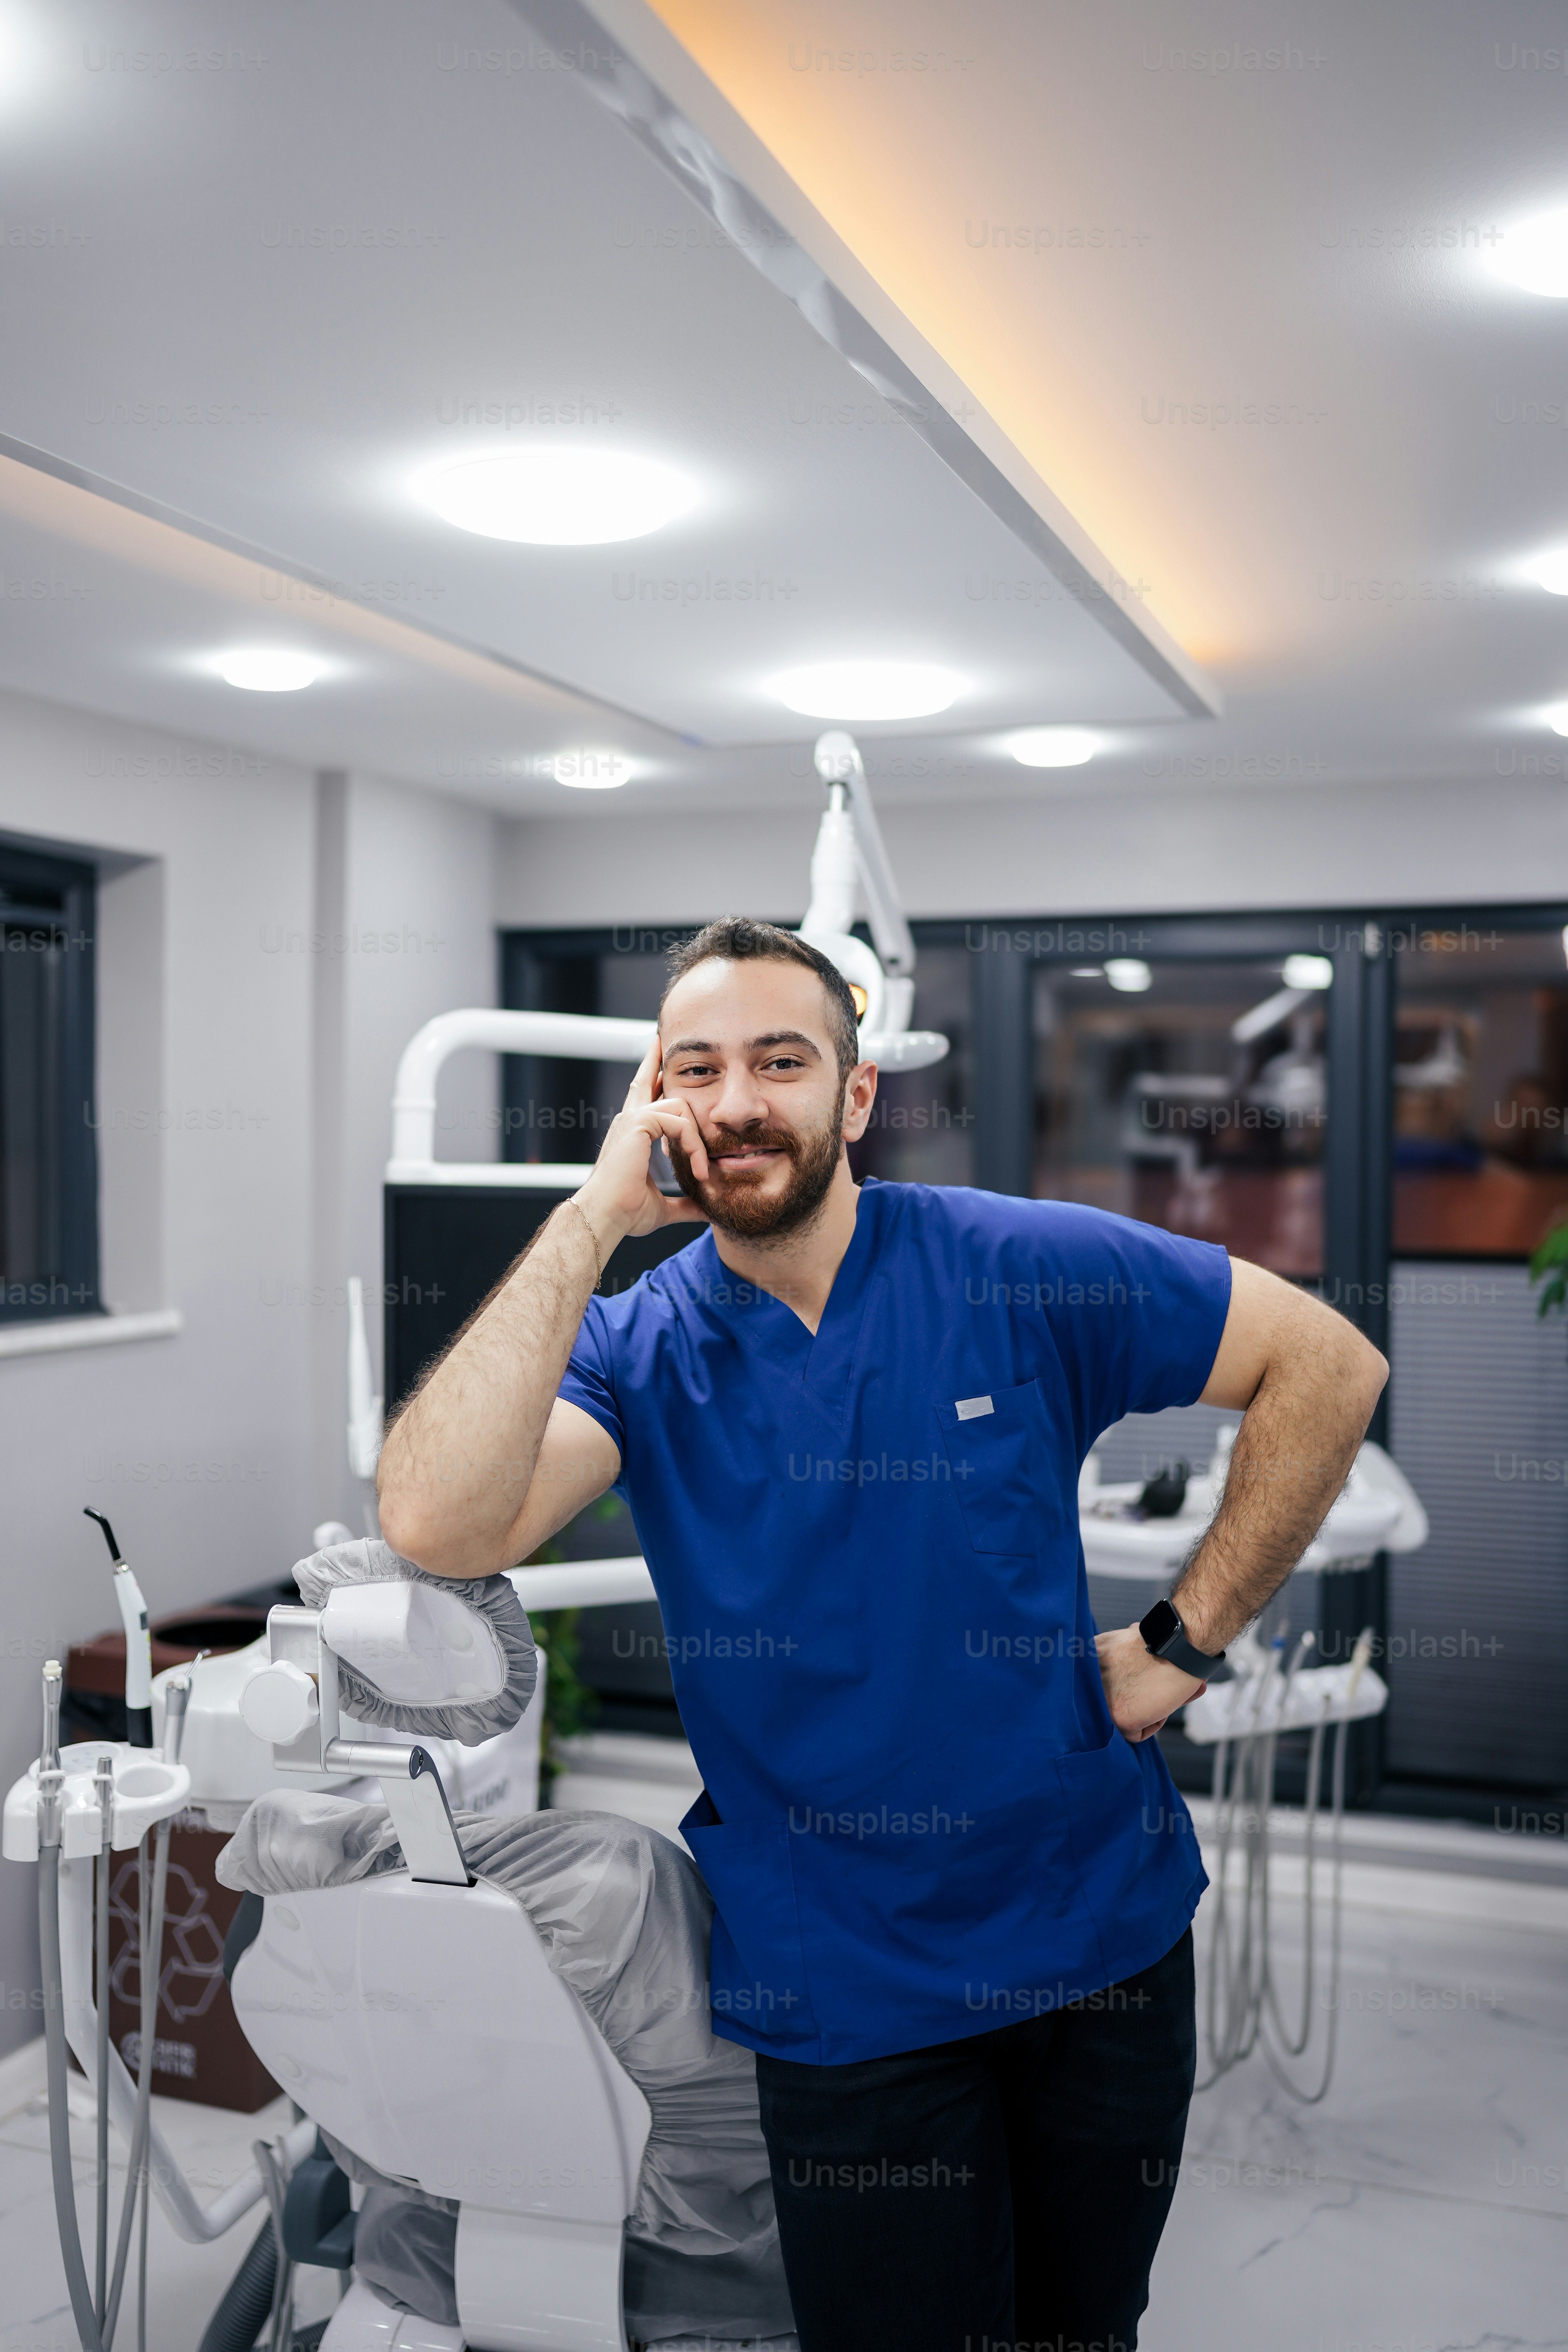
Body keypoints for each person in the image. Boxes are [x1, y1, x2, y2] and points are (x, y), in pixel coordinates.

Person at [377, 916, 1387, 2352]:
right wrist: (593, 1214)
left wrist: (1185, 1637)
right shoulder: (640, 1343)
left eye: (780, 1062)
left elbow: (1327, 1361)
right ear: (656, 1105)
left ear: (853, 1098)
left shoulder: (1008, 1265)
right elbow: (436, 1522)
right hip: (840, 1987)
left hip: (1097, 1938)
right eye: (697, 1068)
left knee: (1084, 2328)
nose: (736, 1103)